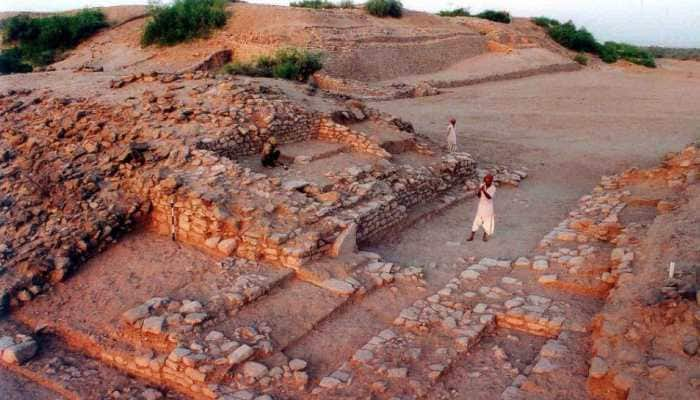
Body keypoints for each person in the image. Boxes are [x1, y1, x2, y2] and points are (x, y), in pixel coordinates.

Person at [467, 174, 496, 242]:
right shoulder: (482, 185)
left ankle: (484, 236)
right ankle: (472, 236)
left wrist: (484, 191)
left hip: (488, 207)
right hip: (481, 206)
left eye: (488, 181)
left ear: (491, 181)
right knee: (477, 220)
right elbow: (479, 196)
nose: (486, 182)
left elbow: (489, 197)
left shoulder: (493, 188)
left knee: (487, 221)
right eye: (485, 181)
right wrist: (479, 191)